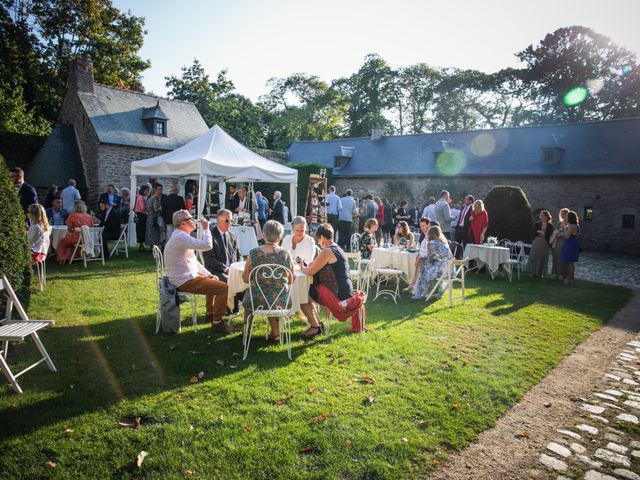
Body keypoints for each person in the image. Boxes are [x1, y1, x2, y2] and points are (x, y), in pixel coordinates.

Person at [164, 210, 230, 332]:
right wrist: (206, 229)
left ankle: (210, 315)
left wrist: (208, 274)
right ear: (183, 224)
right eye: (190, 219)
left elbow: (193, 260)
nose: (194, 220)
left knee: (213, 279)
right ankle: (218, 323)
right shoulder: (181, 237)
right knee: (223, 288)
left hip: (183, 277)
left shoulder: (181, 236)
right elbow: (207, 245)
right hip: (182, 280)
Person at [298, 224, 363, 334]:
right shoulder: (337, 248)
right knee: (308, 292)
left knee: (302, 296)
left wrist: (301, 267)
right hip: (346, 292)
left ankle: (315, 327)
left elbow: (310, 271)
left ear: (322, 238)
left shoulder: (327, 251)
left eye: (318, 240)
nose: (318, 243)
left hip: (337, 296)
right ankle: (317, 325)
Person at [242, 220, 294, 342]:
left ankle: (246, 332)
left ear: (264, 234)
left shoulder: (254, 253)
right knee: (272, 296)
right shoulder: (286, 254)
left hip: (257, 300)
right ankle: (276, 334)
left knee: (251, 297)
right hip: (281, 301)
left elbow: (245, 279)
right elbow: (291, 279)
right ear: (280, 236)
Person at [203, 209, 242, 314]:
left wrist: (239, 266)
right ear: (218, 220)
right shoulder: (210, 236)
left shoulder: (232, 235)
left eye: (231, 221)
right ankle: (231, 308)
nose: (230, 223)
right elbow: (210, 259)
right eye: (227, 220)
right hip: (216, 271)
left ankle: (242, 306)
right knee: (229, 281)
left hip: (233, 270)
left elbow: (239, 255)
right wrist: (226, 269)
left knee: (245, 279)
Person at [412, 225, 454, 300]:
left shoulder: (431, 243)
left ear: (430, 234)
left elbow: (431, 258)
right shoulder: (444, 242)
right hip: (450, 269)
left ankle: (421, 292)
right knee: (424, 265)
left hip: (441, 270)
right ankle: (434, 291)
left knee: (422, 267)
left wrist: (421, 258)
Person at [405, 217, 431, 291]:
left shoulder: (430, 235)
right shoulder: (424, 234)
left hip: (428, 259)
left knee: (418, 263)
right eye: (421, 226)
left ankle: (412, 285)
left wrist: (420, 257)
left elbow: (429, 250)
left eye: (423, 226)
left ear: (428, 225)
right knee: (413, 261)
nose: (422, 228)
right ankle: (411, 283)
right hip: (421, 256)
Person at [527, 210, 554, 278]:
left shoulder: (550, 226)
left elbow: (549, 234)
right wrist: (542, 232)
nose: (541, 217)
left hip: (545, 242)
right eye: (541, 216)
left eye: (543, 216)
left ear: (547, 217)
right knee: (534, 256)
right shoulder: (537, 224)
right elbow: (534, 232)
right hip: (537, 241)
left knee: (543, 258)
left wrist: (542, 232)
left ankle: (540, 273)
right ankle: (533, 272)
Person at [561, 211, 580, 286]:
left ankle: (569, 279)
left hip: (570, 244)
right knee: (570, 263)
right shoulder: (575, 225)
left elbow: (567, 236)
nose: (566, 217)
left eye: (567, 216)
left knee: (570, 262)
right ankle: (571, 279)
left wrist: (565, 228)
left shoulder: (572, 226)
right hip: (572, 243)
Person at [551, 208, 570, 281]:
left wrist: (560, 234)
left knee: (562, 258)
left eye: (564, 214)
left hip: (565, 242)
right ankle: (556, 274)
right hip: (557, 241)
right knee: (556, 256)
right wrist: (556, 234)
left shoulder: (569, 223)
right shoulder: (559, 223)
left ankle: (563, 275)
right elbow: (556, 231)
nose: (562, 215)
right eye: (561, 214)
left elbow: (567, 234)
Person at [145, 183, 163, 248]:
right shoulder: (154, 199)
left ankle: (151, 246)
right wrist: (161, 208)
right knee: (154, 232)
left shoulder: (148, 199)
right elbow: (156, 209)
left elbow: (146, 208)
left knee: (149, 232)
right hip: (154, 217)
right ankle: (154, 246)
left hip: (149, 217)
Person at [134, 184, 150, 251]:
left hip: (139, 215)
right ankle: (141, 245)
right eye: (146, 190)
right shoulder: (141, 197)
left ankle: (141, 245)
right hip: (141, 215)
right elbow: (143, 208)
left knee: (140, 230)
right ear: (143, 190)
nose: (147, 192)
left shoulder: (139, 196)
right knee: (141, 230)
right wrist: (148, 208)